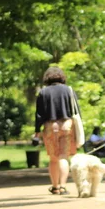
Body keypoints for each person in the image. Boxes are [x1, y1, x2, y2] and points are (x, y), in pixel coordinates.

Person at [35, 67, 80, 195]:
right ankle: (63, 186)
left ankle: (55, 186)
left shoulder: (43, 92)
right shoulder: (69, 90)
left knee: (53, 158)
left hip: (50, 126)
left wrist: (37, 131)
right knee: (63, 157)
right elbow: (76, 110)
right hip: (67, 125)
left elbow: (39, 114)